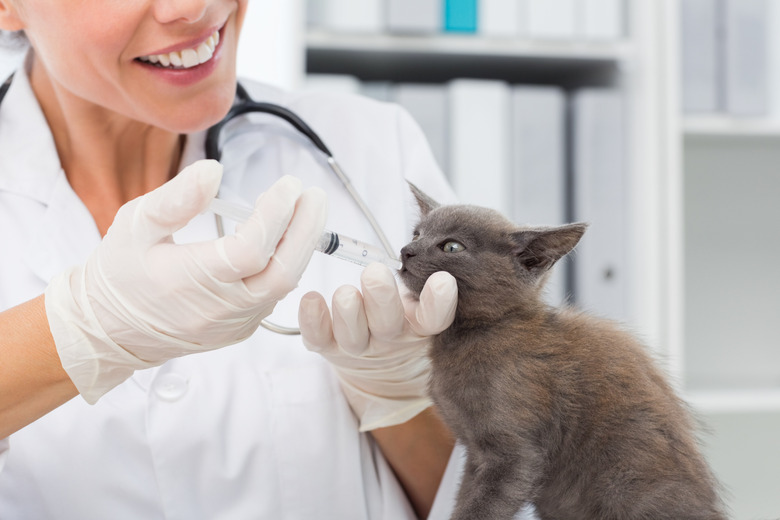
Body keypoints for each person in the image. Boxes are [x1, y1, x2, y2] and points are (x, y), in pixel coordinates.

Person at [0, 1, 469, 518]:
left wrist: (400, 400)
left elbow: (501, 493)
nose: (194, 8)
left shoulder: (370, 146)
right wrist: (81, 328)